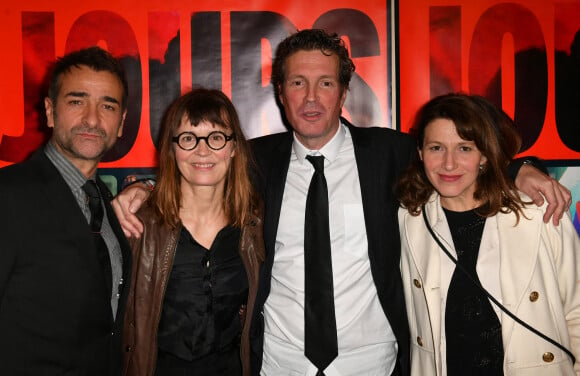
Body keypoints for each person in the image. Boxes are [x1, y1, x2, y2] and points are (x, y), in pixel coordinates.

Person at [113, 30, 572, 376]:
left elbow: (454, 154)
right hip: (280, 363)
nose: (311, 98)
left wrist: (518, 167)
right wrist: (145, 190)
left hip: (373, 364)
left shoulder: (390, 154)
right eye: (297, 83)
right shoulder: (255, 161)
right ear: (280, 92)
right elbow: (199, 167)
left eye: (325, 84)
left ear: (344, 91)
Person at [396, 93, 580, 375]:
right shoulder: (410, 221)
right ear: (420, 152)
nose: (448, 163)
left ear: (484, 155)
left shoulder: (538, 213)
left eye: (464, 149)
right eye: (436, 148)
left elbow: (577, 311)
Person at [0, 46, 132, 375]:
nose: (92, 118)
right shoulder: (8, 195)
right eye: (77, 101)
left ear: (121, 123)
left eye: (107, 105)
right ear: (49, 111)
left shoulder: (105, 200)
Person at [121, 88, 265, 376]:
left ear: (234, 147)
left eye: (216, 137)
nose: (203, 150)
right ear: (172, 149)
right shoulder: (138, 225)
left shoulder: (254, 223)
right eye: (188, 138)